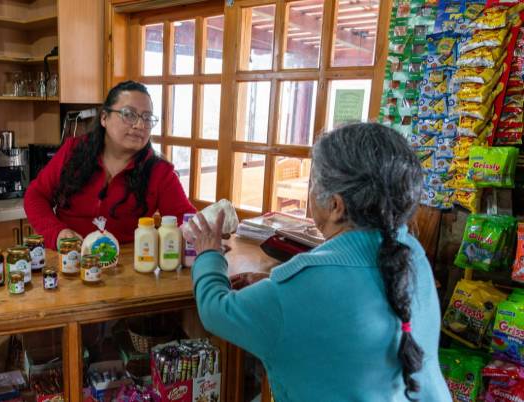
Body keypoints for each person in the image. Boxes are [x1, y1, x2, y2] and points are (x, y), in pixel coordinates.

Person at [186, 123, 451, 401]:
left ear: (336, 206)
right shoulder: (411, 252)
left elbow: (215, 310)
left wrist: (208, 253)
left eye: (313, 182)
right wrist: (280, 289)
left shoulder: (300, 287)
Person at [24, 81, 196, 249]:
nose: (140, 125)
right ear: (104, 118)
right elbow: (36, 195)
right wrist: (58, 233)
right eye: (129, 114)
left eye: (147, 118)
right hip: (69, 260)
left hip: (126, 268)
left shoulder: (159, 171)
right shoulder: (73, 151)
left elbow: (186, 219)